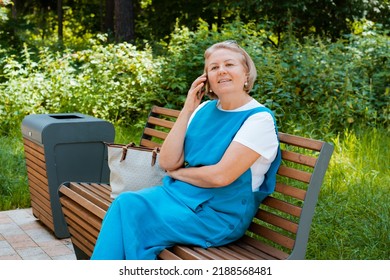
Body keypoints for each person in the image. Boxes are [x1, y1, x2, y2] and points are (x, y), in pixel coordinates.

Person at [91, 40, 281, 260]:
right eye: (214, 67)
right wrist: (188, 108)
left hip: (217, 216)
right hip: (181, 196)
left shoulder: (258, 119)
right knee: (126, 204)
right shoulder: (204, 109)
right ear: (206, 79)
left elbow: (220, 176)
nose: (222, 71)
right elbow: (168, 162)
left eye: (230, 64)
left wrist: (178, 175)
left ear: (246, 73)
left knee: (127, 214)